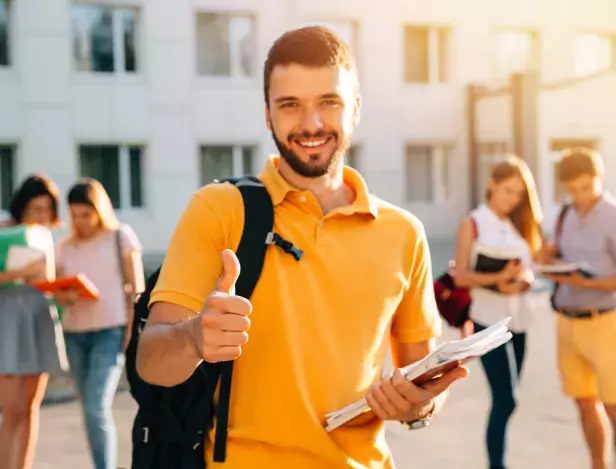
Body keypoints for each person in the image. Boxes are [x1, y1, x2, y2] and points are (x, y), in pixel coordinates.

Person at [136, 26, 468, 469]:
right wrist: (195, 337)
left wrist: (417, 408)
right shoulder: (218, 210)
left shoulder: (404, 233)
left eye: (328, 102)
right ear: (268, 114)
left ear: (355, 109)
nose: (311, 124)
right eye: (290, 105)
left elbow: (422, 378)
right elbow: (152, 362)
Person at [451, 156, 543, 469]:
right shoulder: (473, 223)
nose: (512, 199)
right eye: (507, 190)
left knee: (509, 399)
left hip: (519, 321)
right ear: (492, 185)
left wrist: (522, 282)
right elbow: (461, 276)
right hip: (486, 322)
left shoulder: (519, 224)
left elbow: (531, 270)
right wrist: (499, 279)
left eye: (518, 193)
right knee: (507, 398)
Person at [55, 178, 144, 469]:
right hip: (75, 334)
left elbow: (137, 288)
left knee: (96, 406)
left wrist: (131, 332)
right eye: (75, 215)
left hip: (111, 331)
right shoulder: (65, 247)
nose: (80, 222)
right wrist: (65, 295)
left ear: (99, 210)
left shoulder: (121, 236)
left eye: (86, 214)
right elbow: (58, 292)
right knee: (89, 409)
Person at [541, 148, 616, 469]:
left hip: (605, 323)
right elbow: (555, 259)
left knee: (614, 407)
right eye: (572, 189)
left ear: (598, 179)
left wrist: (584, 283)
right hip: (566, 324)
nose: (579, 195)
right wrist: (549, 261)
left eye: (585, 188)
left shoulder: (612, 216)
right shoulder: (564, 215)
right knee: (585, 403)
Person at [0, 174, 68, 469]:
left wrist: (66, 290)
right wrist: (20, 274)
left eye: (46, 209)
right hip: (8, 319)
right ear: (22, 206)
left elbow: (49, 281)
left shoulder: (48, 237)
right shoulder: (3, 231)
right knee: (11, 409)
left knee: (30, 408)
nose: (40, 216)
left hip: (40, 315)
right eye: (34, 209)